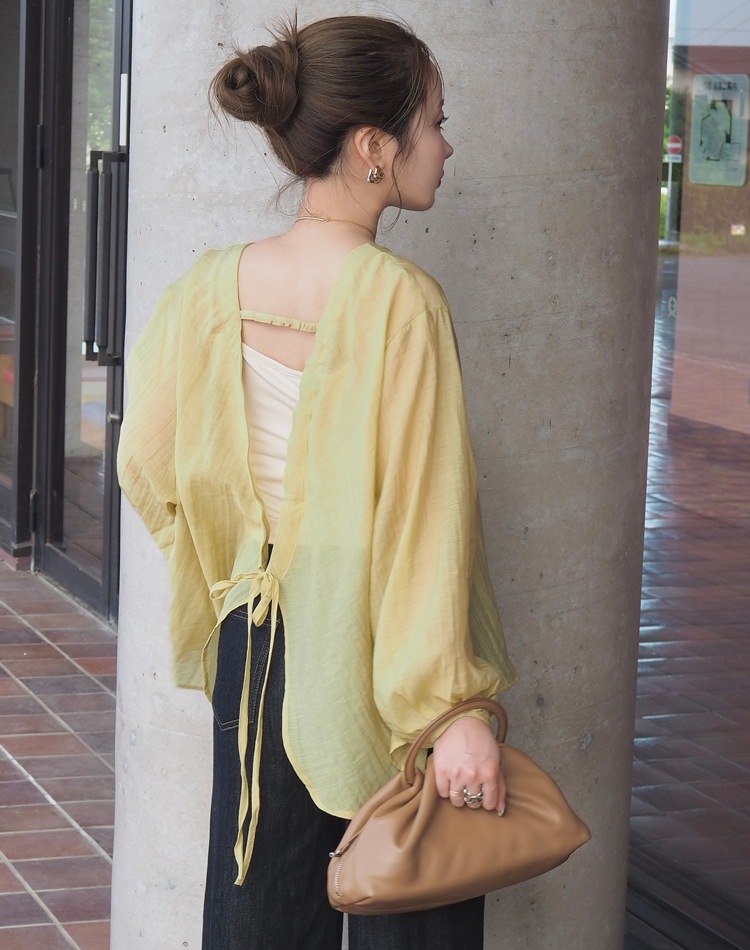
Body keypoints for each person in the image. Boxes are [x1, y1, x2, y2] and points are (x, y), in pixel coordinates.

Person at [117, 13, 517, 950]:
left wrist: (235, 573)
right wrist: (452, 708)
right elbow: (425, 528)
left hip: (255, 641)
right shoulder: (400, 303)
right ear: (374, 146)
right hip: (382, 648)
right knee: (408, 902)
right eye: (435, 122)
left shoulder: (208, 287)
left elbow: (146, 461)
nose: (447, 146)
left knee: (259, 908)